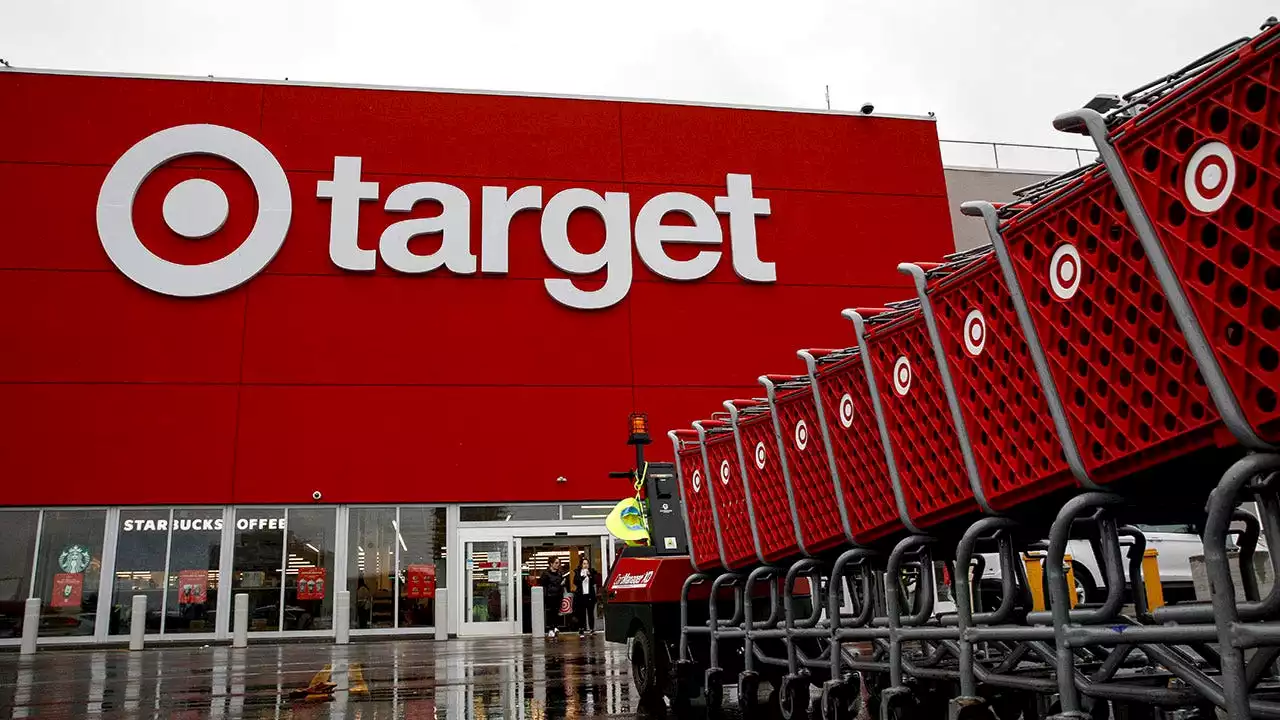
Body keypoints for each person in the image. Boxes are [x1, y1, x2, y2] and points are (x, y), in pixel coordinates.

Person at [539, 557, 567, 638]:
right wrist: (559, 585)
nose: (558, 565)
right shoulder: (546, 574)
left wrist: (563, 584)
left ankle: (555, 627)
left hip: (558, 595)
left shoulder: (559, 573)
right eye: (556, 563)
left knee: (557, 612)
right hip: (550, 596)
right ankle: (550, 629)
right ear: (551, 563)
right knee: (551, 612)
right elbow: (543, 585)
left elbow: (561, 584)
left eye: (559, 563)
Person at [573, 556, 602, 636]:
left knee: (590, 613)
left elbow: (594, 582)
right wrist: (582, 578)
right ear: (581, 565)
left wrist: (590, 576)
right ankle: (581, 629)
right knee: (581, 614)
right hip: (581, 596)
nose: (586, 565)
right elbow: (575, 582)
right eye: (584, 563)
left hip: (590, 596)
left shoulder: (592, 571)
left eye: (587, 563)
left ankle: (592, 629)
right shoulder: (578, 572)